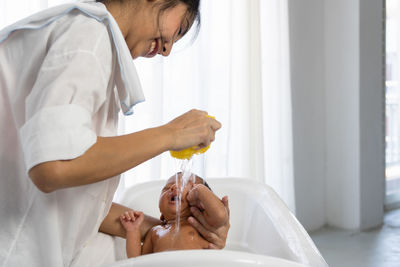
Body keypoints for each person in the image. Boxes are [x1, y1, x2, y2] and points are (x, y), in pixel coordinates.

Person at [0, 0, 229, 266]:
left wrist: (183, 232)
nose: (167, 49)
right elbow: (53, 167)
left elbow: (74, 201)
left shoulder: (90, 38)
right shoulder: (87, 36)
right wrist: (171, 134)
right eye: (179, 31)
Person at [118, 173, 229, 258]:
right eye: (167, 188)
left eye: (187, 185)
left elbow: (220, 215)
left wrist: (200, 189)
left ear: (201, 204)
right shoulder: (155, 232)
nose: (174, 187)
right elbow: (138, 261)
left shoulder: (203, 225)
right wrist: (133, 230)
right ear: (161, 214)